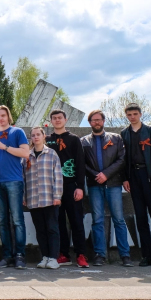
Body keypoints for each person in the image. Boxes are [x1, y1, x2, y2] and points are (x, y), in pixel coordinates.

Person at [81, 110, 131, 267]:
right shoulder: (83, 141)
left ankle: (125, 255)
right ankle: (99, 254)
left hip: (113, 184)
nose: (96, 122)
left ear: (103, 121)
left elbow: (122, 159)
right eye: (93, 120)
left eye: (99, 120)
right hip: (95, 184)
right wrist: (97, 175)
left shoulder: (115, 138)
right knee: (97, 220)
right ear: (90, 123)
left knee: (119, 219)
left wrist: (106, 174)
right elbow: (82, 163)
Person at [121, 103, 151, 268]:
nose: (132, 117)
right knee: (140, 218)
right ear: (126, 116)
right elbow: (123, 159)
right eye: (129, 114)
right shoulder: (124, 134)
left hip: (149, 177)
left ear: (140, 114)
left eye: (135, 114)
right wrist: (125, 178)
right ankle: (147, 255)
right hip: (134, 177)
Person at [0, 105, 30, 269]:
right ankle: (7, 256)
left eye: (3, 115)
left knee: (18, 220)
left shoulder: (17, 132)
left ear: (8, 116)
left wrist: (4, 147)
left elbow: (26, 153)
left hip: (14, 181)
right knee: (3, 221)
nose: (0, 118)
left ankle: (20, 255)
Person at [46, 109, 89, 268]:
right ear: (51, 121)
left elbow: (80, 164)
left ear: (65, 119)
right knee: (58, 221)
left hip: (71, 185)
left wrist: (80, 187)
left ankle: (81, 254)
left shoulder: (74, 139)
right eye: (54, 118)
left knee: (76, 221)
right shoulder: (47, 140)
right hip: (53, 186)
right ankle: (63, 254)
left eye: (59, 118)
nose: (57, 120)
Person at [23, 126, 63, 269]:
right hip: (33, 199)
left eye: (38, 134)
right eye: (33, 135)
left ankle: (53, 258)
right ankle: (45, 256)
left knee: (52, 228)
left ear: (44, 136)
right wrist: (24, 196)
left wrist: (57, 196)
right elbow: (24, 178)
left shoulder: (52, 154)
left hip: (49, 198)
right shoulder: (27, 156)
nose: (36, 137)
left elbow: (58, 176)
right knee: (40, 230)